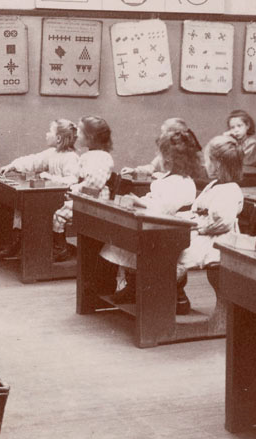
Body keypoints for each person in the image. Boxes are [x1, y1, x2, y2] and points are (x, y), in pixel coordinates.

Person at [104, 126, 201, 306]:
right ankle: (133, 285)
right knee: (125, 242)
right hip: (162, 224)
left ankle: (177, 294)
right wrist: (138, 200)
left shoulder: (182, 182)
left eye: (160, 154)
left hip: (173, 230)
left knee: (137, 243)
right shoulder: (167, 177)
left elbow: (164, 209)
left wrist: (142, 204)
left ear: (170, 159)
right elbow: (155, 200)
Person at [176, 137, 245, 314]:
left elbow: (223, 222)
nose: (205, 165)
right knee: (172, 245)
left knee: (176, 252)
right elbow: (199, 208)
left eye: (208, 161)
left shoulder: (230, 190)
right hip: (204, 233)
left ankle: (177, 297)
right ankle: (176, 295)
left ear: (218, 165)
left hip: (216, 241)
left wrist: (201, 228)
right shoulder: (215, 184)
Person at [0, 118, 80, 258]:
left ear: (58, 138)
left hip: (64, 198)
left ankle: (59, 247)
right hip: (50, 196)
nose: (46, 134)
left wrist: (50, 178)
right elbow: (34, 161)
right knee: (21, 204)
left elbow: (72, 181)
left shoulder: (71, 158)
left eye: (50, 131)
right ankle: (18, 239)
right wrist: (13, 166)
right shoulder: (52, 153)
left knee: (48, 211)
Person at [50, 116, 114, 263]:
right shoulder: (88, 155)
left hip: (95, 201)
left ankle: (61, 248)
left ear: (90, 138)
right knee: (56, 209)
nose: (77, 134)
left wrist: (76, 189)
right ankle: (61, 245)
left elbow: (94, 184)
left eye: (80, 131)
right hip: (86, 198)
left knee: (58, 215)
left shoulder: (102, 158)